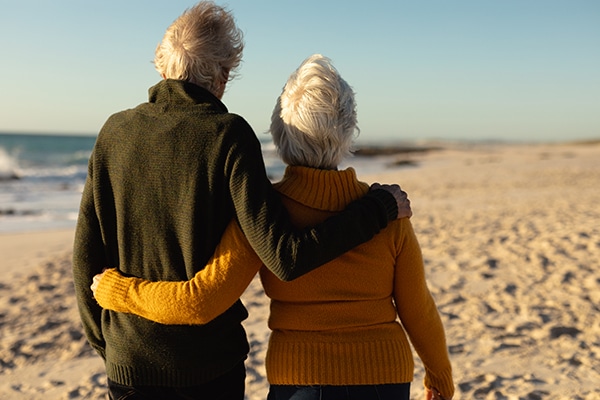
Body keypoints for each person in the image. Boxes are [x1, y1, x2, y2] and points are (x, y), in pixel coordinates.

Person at [73, 3, 410, 400]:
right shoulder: (227, 135)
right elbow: (285, 256)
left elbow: (86, 257)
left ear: (162, 66)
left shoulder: (114, 132)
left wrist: (108, 346)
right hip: (210, 366)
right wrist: (378, 209)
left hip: (129, 360)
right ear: (223, 73)